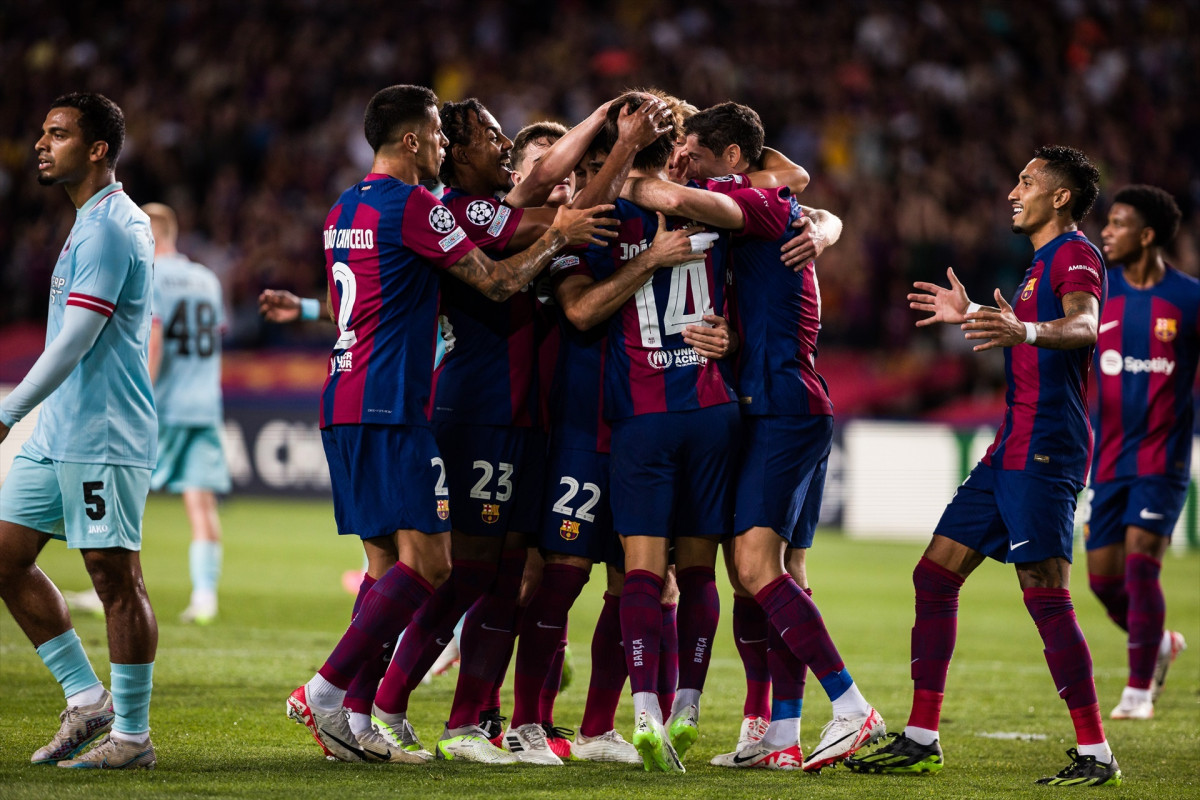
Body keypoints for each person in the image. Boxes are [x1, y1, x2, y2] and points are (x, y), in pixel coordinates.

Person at [285, 84, 614, 764]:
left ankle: (355, 716)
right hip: (393, 405)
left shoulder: (344, 207)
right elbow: (496, 284)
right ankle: (326, 691)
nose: (439, 147)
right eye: (437, 135)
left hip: (343, 396)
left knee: (384, 566)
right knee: (432, 563)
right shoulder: (417, 205)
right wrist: (557, 237)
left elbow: (376, 296)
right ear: (413, 140)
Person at [845, 145, 1122, 787]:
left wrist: (1022, 331)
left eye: (1026, 181)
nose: (1011, 193)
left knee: (1045, 594)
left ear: (1060, 197)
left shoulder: (1076, 253)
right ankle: (920, 738)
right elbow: (1028, 329)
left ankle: (1096, 753)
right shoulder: (1037, 266)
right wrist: (970, 316)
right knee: (934, 576)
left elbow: (1085, 326)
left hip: (1046, 450)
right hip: (1009, 449)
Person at [667, 101, 884, 772]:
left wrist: (626, 161)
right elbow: (800, 183)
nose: (684, 164)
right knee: (762, 572)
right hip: (769, 403)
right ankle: (781, 731)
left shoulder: (755, 201)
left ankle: (851, 706)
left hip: (785, 408)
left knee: (760, 568)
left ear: (732, 160)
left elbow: (785, 181)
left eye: (695, 154)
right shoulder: (764, 204)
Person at [0, 92, 159, 769]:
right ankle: (85, 698)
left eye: (58, 134)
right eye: (42, 132)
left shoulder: (110, 228)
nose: (42, 143)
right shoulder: (90, 219)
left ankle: (131, 735)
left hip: (103, 431)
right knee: (3, 553)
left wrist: (4, 413)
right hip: (59, 430)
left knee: (114, 577)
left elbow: (72, 344)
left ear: (97, 149)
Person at [1085, 184, 1195, 720]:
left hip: (1163, 460)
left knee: (1140, 567)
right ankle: (1159, 644)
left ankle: (1137, 691)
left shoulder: (1189, 300)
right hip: (1108, 460)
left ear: (1147, 235)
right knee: (1102, 580)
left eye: (1119, 222)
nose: (1106, 231)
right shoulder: (1099, 297)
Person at [141, 202, 230, 625]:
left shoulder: (150, 275)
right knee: (201, 503)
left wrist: (141, 395)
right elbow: (214, 340)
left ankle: (116, 589)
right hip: (204, 403)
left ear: (149, 234)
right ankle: (205, 596)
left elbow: (154, 339)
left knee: (123, 501)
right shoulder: (207, 279)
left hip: (162, 404)